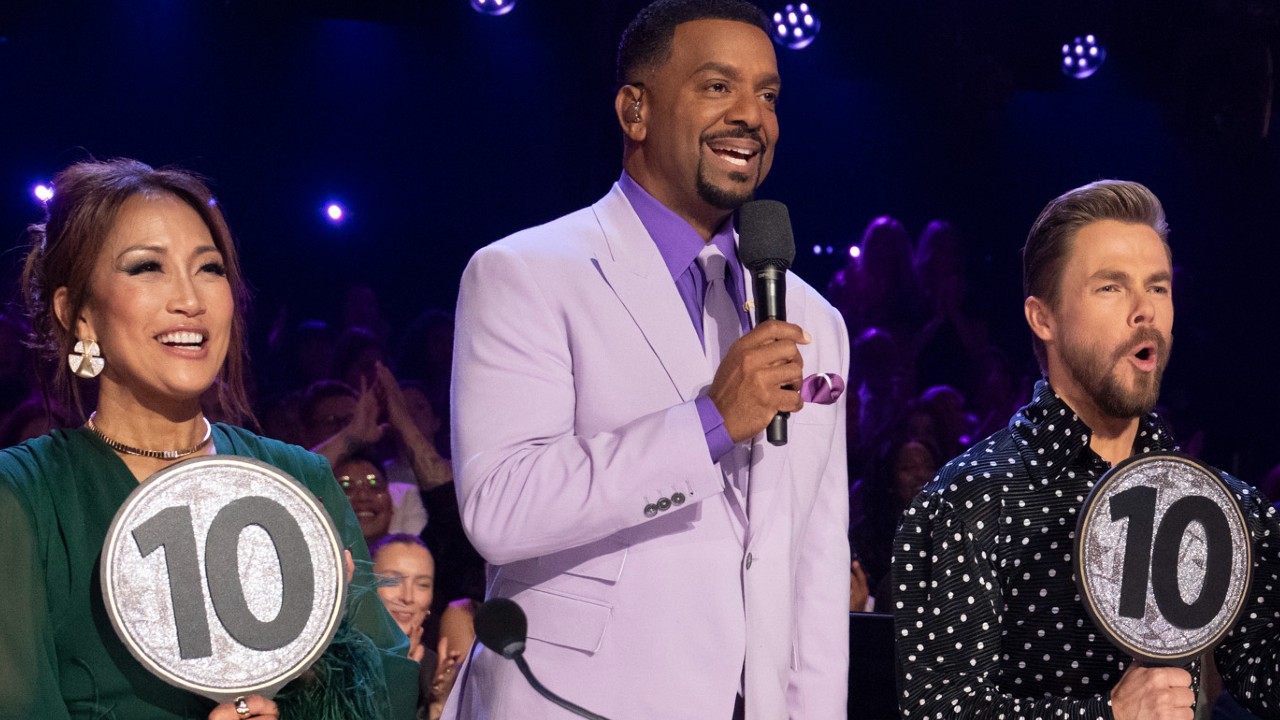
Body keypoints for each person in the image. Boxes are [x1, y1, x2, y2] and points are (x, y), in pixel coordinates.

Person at [445, 1, 850, 717]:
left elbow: (814, 563)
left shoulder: (811, 316)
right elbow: (501, 507)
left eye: (768, 95)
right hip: (571, 700)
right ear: (635, 111)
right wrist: (709, 423)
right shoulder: (525, 273)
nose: (751, 116)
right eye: (718, 86)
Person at [0, 158, 418, 720]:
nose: (190, 299)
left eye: (209, 268)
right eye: (148, 267)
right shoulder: (25, 497)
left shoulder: (300, 480)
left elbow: (390, 692)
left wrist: (317, 660)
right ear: (77, 314)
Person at [891, 180, 1280, 719]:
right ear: (1043, 317)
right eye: (1111, 287)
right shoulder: (971, 500)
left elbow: (1264, 676)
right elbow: (938, 710)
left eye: (1159, 287)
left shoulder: (1222, 505)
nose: (1145, 311)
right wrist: (1106, 714)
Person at [370, 535, 463, 720]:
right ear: (365, 585)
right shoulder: (338, 659)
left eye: (422, 585)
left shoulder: (432, 670)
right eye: (393, 581)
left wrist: (439, 705)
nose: (408, 597)